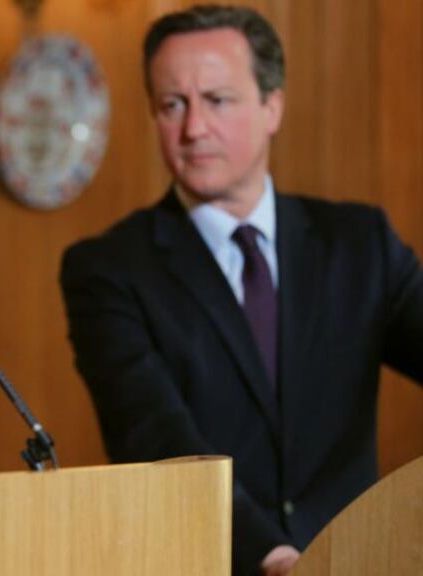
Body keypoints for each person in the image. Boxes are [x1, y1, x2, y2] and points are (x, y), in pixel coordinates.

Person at [59, 5, 423, 576]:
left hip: (354, 562)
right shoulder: (107, 269)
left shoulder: (360, 243)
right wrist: (271, 556)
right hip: (214, 563)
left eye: (217, 100)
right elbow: (154, 435)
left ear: (272, 105)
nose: (193, 129)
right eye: (172, 105)